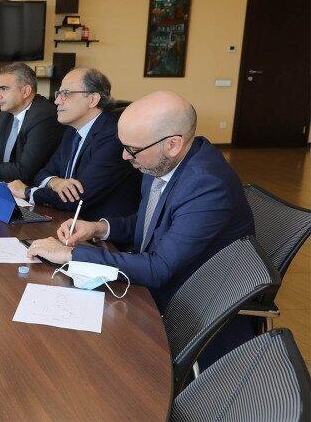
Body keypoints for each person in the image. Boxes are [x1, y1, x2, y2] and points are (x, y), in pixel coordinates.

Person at [26, 91, 255, 365]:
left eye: (132, 149)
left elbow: (158, 269)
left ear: (172, 144)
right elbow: (149, 222)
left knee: (76, 353)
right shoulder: (161, 162)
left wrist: (70, 255)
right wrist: (98, 228)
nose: (125, 156)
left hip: (189, 300)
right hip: (157, 276)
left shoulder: (205, 185)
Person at [7, 68, 140, 220]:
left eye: (66, 93)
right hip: (67, 219)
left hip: (100, 228)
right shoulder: (71, 132)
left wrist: (28, 192)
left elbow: (77, 198)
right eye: (58, 94)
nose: (57, 101)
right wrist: (55, 182)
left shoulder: (113, 136)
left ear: (92, 99)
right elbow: (42, 174)